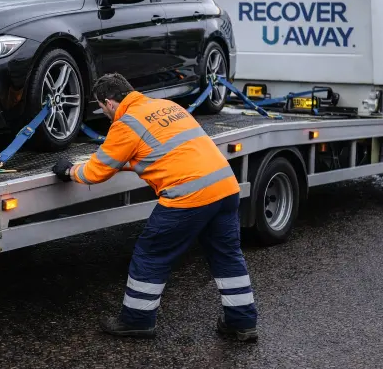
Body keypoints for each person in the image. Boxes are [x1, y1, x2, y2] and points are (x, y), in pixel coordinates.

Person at [52, 73, 258, 341]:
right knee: (227, 256)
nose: (105, 114)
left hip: (188, 195)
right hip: (225, 187)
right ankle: (242, 323)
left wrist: (69, 171)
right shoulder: (168, 106)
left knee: (151, 254)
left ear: (109, 103)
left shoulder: (126, 123)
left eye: (102, 108)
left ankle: (137, 320)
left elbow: (95, 172)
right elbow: (163, 151)